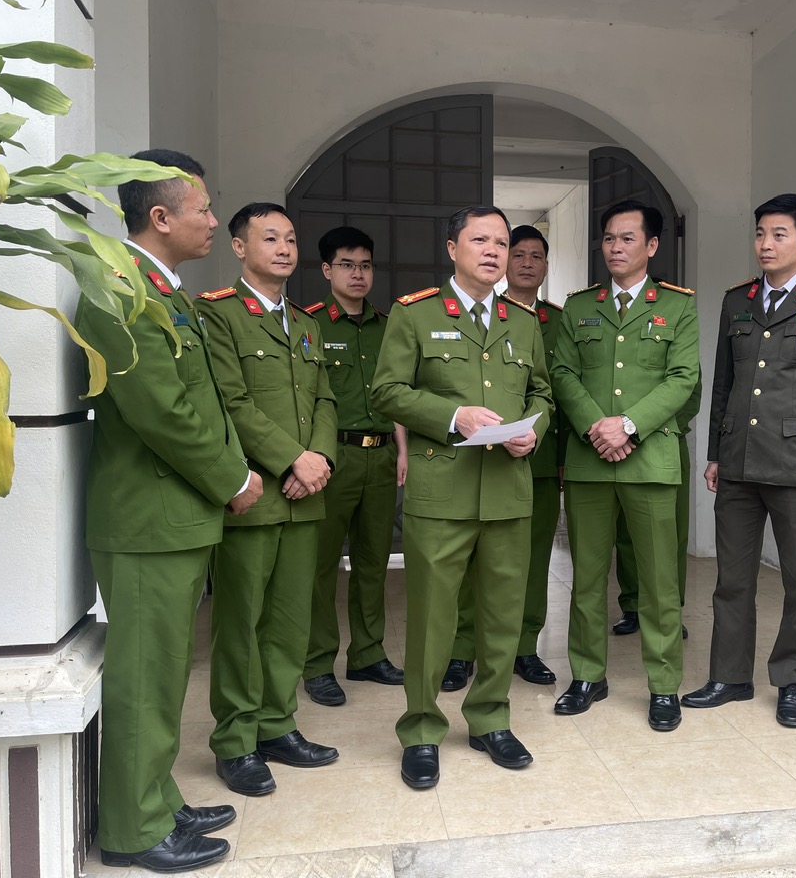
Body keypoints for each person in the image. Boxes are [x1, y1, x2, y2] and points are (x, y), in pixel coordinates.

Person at [78, 150, 261, 872]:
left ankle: (157, 799)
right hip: (147, 518)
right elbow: (162, 409)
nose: (214, 221)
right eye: (203, 209)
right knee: (144, 679)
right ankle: (134, 829)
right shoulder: (121, 288)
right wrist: (232, 478)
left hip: (171, 516)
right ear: (159, 216)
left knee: (164, 676)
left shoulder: (160, 286)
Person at [371, 206, 553, 790]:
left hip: (507, 491)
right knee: (432, 618)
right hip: (441, 491)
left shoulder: (522, 320)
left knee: (501, 614)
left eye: (502, 242)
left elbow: (542, 392)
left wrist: (533, 430)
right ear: (453, 248)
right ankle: (421, 729)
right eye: (481, 240)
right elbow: (386, 392)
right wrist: (454, 415)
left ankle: (490, 719)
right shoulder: (415, 313)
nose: (494, 251)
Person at [682, 193, 796, 729]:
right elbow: (724, 384)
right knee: (731, 579)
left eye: (779, 234)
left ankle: (792, 680)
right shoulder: (736, 300)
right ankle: (729, 676)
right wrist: (716, 453)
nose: (765, 243)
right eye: (760, 233)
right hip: (738, 461)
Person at [195, 203, 340, 797]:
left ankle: (278, 725)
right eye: (270, 237)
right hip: (255, 495)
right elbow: (230, 401)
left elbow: (326, 399)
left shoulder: (306, 323)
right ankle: (236, 739)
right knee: (241, 622)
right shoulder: (219, 314)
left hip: (306, 495)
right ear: (238, 247)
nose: (284, 248)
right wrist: (291, 459)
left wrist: (319, 459)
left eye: (291, 239)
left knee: (290, 621)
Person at [550, 199, 699, 732]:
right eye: (609, 238)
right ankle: (587, 676)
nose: (615, 247)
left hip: (651, 461)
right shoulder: (578, 307)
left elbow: (683, 379)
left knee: (658, 582)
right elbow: (562, 373)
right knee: (587, 578)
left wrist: (628, 426)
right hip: (590, 460)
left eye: (627, 238)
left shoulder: (678, 307)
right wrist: (599, 427)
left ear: (652, 246)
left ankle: (664, 685)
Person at [442, 225, 564, 690]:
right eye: (519, 254)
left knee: (530, 561)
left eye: (537, 256)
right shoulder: (471, 312)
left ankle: (525, 646)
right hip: (469, 461)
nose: (527, 263)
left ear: (546, 266)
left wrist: (546, 443)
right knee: (471, 561)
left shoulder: (558, 320)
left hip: (535, 459)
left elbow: (554, 390)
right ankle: (462, 649)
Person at [301, 226, 408, 708]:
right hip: (332, 456)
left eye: (365, 265)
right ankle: (318, 662)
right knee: (321, 565)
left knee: (373, 560)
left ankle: (367, 653)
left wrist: (402, 450)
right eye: (347, 265)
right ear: (327, 270)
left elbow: (397, 394)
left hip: (381, 454)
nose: (358, 274)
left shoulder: (389, 326)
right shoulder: (310, 324)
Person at [610, 372, 701, 638]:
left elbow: (690, 393)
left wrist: (647, 428)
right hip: (623, 444)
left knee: (672, 533)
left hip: (666, 441)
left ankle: (669, 609)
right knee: (627, 532)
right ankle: (632, 605)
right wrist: (624, 431)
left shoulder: (679, 344)